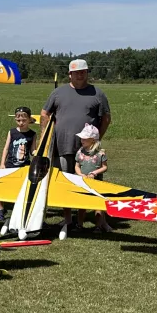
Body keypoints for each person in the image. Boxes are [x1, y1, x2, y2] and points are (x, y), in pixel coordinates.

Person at [40, 58, 111, 231]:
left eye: (83, 72)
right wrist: (46, 137)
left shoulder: (97, 93)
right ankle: (67, 219)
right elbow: (44, 114)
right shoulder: (58, 93)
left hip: (89, 151)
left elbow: (106, 118)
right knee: (66, 182)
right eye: (76, 72)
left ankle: (86, 218)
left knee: (89, 182)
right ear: (69, 74)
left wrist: (96, 140)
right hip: (63, 146)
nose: (80, 75)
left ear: (87, 73)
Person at [0, 106, 37, 222]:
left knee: (22, 190)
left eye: (24, 120)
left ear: (29, 119)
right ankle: (0, 209)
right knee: (2, 186)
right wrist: (2, 164)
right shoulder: (12, 132)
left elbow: (33, 150)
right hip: (9, 165)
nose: (21, 123)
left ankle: (20, 210)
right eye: (18, 120)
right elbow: (6, 148)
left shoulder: (32, 134)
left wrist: (39, 151)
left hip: (24, 167)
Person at [75, 123, 112, 232]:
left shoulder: (100, 153)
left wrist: (94, 173)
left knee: (98, 205)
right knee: (81, 205)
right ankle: (79, 225)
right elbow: (77, 166)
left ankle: (98, 226)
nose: (82, 140)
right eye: (81, 138)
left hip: (97, 183)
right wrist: (80, 174)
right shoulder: (80, 152)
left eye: (85, 139)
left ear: (93, 140)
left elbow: (104, 167)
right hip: (83, 182)